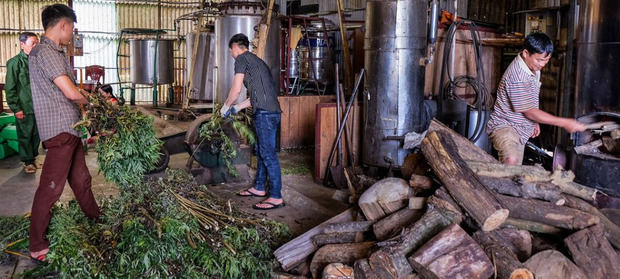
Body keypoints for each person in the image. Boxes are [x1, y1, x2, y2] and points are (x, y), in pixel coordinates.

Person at [28, 4, 101, 261]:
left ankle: (97, 218)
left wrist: (88, 99)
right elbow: (70, 92)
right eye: (72, 27)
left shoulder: (55, 52)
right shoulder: (45, 52)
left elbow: (71, 92)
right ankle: (37, 244)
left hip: (69, 130)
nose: (72, 32)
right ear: (62, 25)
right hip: (59, 130)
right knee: (51, 188)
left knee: (81, 180)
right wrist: (96, 102)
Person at [487, 32, 586, 165]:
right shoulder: (517, 77)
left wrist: (534, 122)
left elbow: (531, 97)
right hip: (505, 126)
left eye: (547, 60)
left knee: (515, 171)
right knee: (511, 160)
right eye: (539, 60)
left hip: (520, 128)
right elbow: (529, 111)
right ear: (526, 53)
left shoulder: (533, 68)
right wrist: (564, 122)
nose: (543, 64)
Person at [221, 33, 285, 210]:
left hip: (265, 113)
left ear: (235, 47)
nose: (231, 53)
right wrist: (237, 108)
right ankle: (258, 187)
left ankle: (276, 196)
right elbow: (258, 95)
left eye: (230, 50)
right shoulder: (258, 62)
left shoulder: (241, 59)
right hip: (272, 111)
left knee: (268, 154)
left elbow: (235, 90)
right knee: (262, 150)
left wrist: (226, 106)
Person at [5, 32, 40, 174]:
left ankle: (33, 158)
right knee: (25, 135)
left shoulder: (37, 61)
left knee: (36, 134)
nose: (36, 46)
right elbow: (10, 88)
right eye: (33, 43)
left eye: (37, 43)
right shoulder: (15, 63)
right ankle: (27, 161)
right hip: (24, 107)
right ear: (22, 44)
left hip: (38, 106)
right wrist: (16, 108)